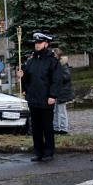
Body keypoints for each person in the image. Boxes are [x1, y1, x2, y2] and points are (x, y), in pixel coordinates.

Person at [17, 32, 61, 162]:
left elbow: (56, 79)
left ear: (46, 44)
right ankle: (38, 152)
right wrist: (22, 76)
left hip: (46, 99)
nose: (37, 45)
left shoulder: (52, 60)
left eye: (40, 43)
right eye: (36, 43)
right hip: (33, 99)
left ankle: (48, 152)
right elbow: (27, 77)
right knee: (35, 128)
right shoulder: (31, 61)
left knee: (47, 127)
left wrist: (53, 95)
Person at [51, 48, 74, 135]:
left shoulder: (63, 64)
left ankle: (64, 128)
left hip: (62, 92)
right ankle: (56, 128)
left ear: (57, 55)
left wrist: (57, 77)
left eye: (54, 54)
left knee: (61, 111)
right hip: (55, 91)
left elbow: (67, 77)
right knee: (55, 111)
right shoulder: (54, 64)